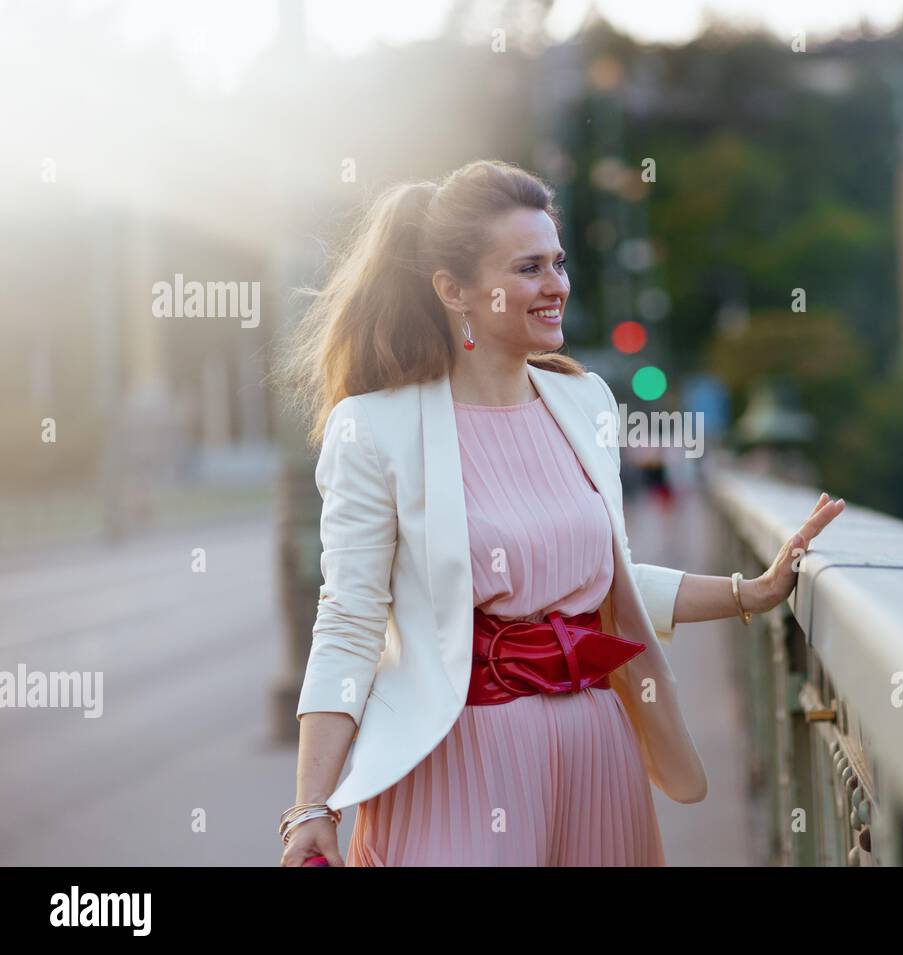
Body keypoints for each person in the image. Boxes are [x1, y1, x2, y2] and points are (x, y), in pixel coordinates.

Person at [274, 159, 845, 866]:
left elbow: (610, 581)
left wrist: (750, 591)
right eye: (528, 269)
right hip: (461, 759)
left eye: (558, 262)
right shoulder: (375, 429)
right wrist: (312, 805)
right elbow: (350, 621)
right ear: (454, 291)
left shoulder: (586, 404)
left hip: (595, 752)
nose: (556, 287)